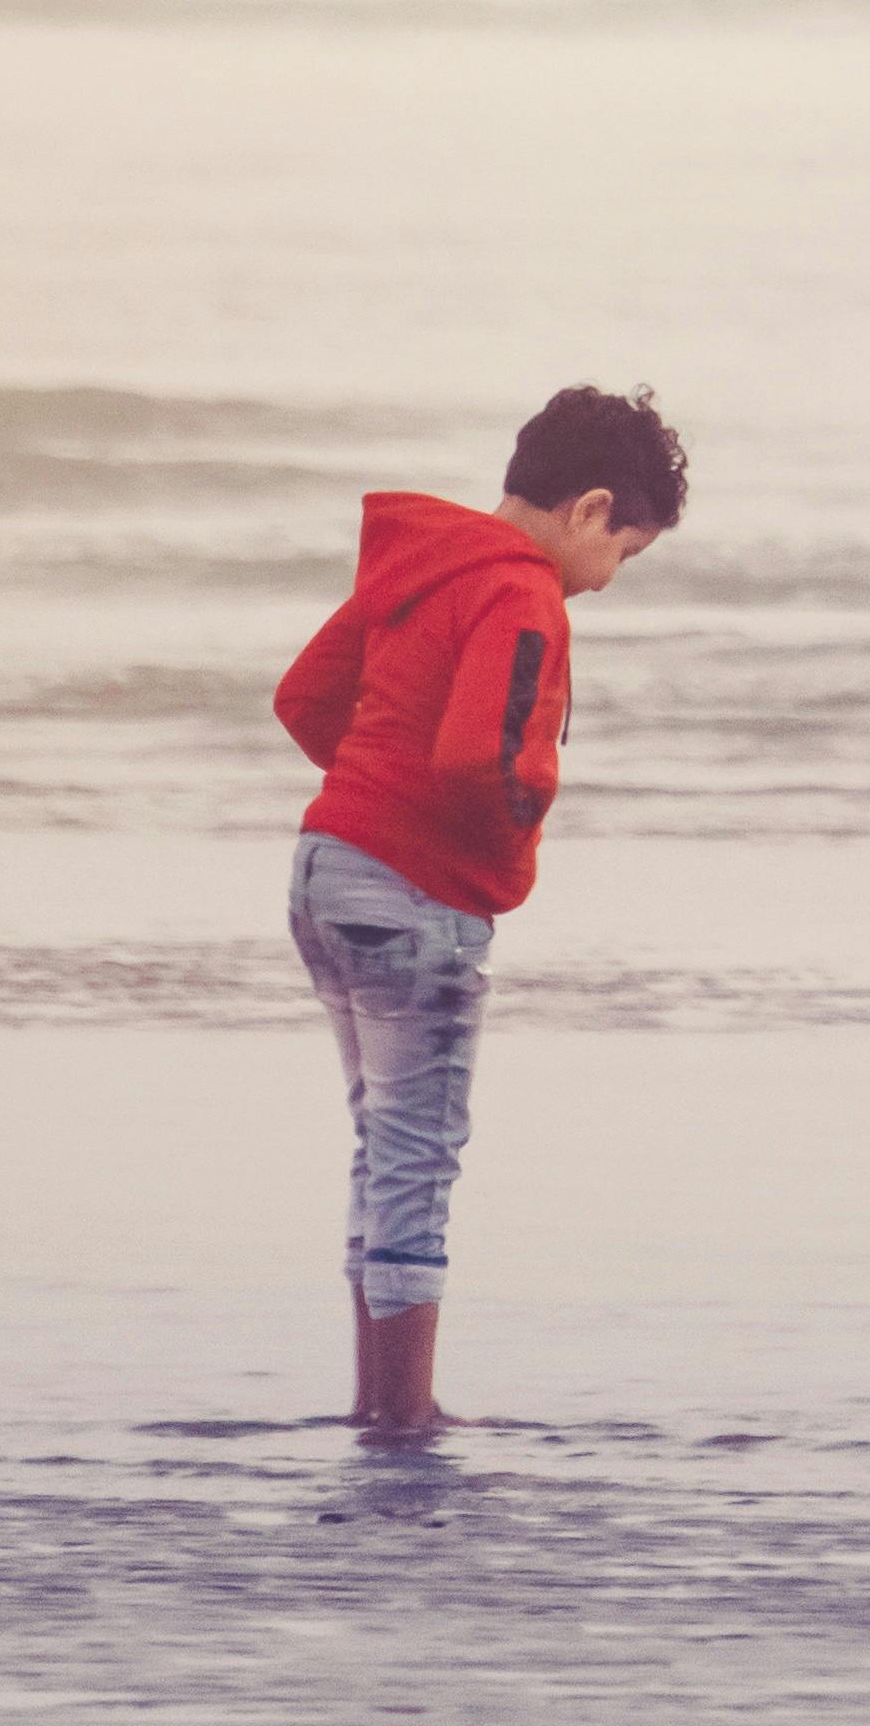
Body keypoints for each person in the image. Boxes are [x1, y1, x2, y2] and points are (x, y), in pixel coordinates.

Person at [269, 382, 687, 1436]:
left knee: (384, 1142)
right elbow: (480, 758)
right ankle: (403, 1417)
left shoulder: (416, 562)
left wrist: (373, 793)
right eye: (625, 555)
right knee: (417, 1153)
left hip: (326, 867)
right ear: (590, 511)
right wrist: (503, 843)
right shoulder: (522, 593)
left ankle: (381, 1399)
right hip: (415, 893)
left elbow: (306, 699)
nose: (610, 582)